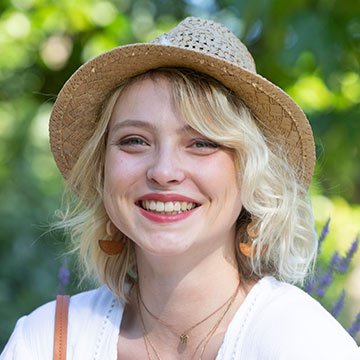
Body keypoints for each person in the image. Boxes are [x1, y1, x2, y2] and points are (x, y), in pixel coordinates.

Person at [1, 17, 359, 360]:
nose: (164, 171)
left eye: (201, 143)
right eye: (135, 140)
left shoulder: (304, 344)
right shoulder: (47, 340)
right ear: (102, 171)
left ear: (252, 173)